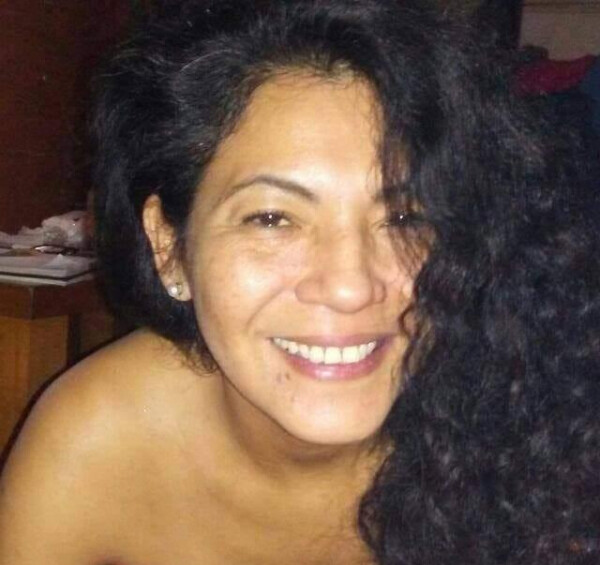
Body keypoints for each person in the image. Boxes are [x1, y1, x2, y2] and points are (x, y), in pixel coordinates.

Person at [1, 1, 599, 564]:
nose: (349, 287)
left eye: (403, 218)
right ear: (170, 248)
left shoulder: (538, 427)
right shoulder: (97, 445)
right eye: (271, 219)